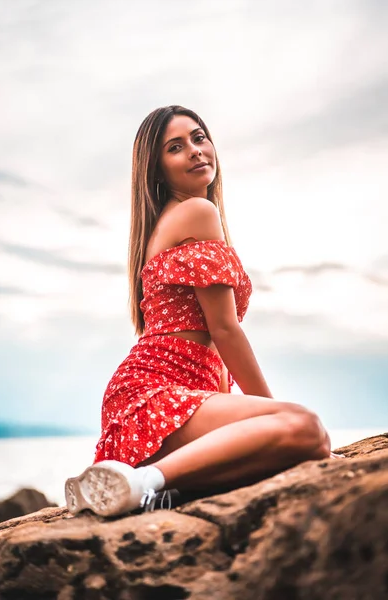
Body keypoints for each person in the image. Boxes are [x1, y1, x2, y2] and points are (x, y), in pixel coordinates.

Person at [65, 105, 341, 518]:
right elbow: (225, 330)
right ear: (157, 170)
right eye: (176, 147)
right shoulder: (197, 211)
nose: (196, 151)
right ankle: (144, 484)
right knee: (302, 427)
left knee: (310, 441)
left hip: (169, 390)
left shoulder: (167, 221)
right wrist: (274, 413)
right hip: (156, 391)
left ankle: (160, 486)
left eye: (199, 137)